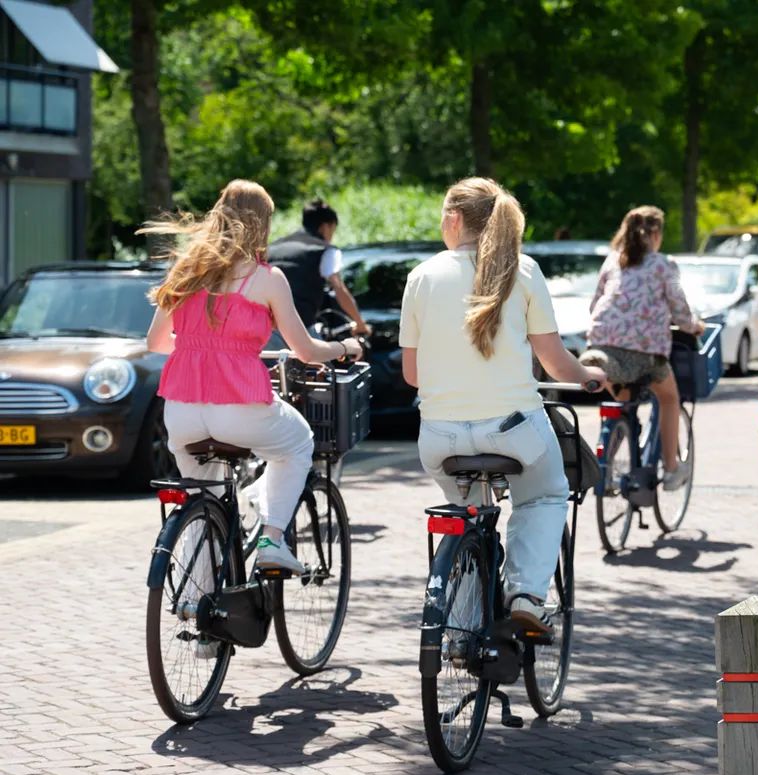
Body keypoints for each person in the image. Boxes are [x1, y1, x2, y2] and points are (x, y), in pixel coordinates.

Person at [399, 177, 605, 634]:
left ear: (453, 219)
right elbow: (554, 363)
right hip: (515, 430)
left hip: (439, 437)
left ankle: (462, 626)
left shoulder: (421, 276)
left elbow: (412, 376)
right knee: (546, 494)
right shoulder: (524, 270)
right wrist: (589, 376)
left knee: (465, 510)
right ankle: (527, 593)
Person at [144, 180, 364, 581]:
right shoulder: (266, 278)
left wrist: (201, 344)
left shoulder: (186, 271)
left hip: (181, 413)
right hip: (239, 410)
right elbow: (306, 351)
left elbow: (156, 342)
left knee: (201, 500)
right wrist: (346, 348)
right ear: (261, 224)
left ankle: (199, 616)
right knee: (298, 443)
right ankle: (272, 540)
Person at [580, 206, 705, 491]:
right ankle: (673, 471)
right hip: (644, 355)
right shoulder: (664, 264)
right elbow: (681, 313)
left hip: (602, 348)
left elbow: (593, 305)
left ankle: (606, 470)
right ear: (656, 234)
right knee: (670, 398)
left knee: (621, 405)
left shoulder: (612, 261)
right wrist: (696, 326)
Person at [266, 199, 371, 343]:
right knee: (321, 364)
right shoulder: (325, 251)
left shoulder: (273, 247)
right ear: (325, 227)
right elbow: (339, 289)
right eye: (332, 230)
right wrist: (360, 324)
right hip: (299, 330)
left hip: (265, 330)